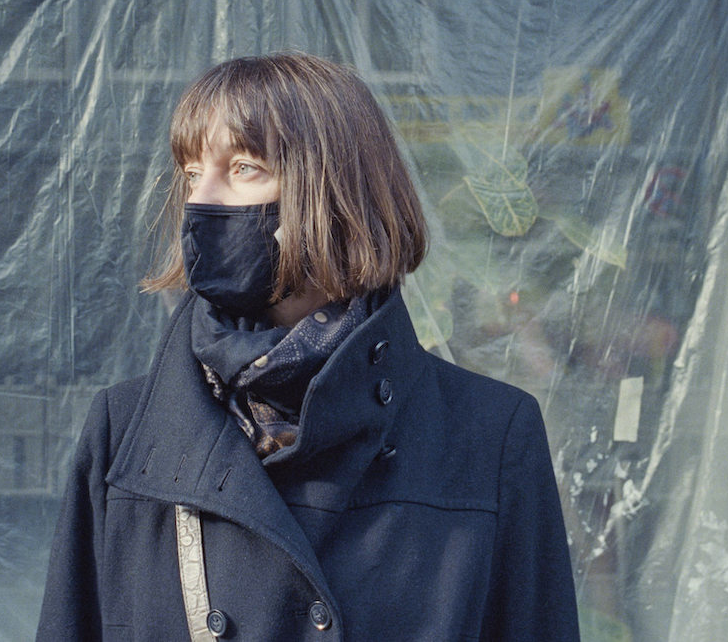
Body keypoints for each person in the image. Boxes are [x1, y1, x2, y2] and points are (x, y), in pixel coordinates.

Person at [35, 53, 579, 642]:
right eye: (192, 173)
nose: (201, 200)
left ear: (338, 191)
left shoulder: (490, 434)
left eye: (243, 167)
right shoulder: (124, 432)